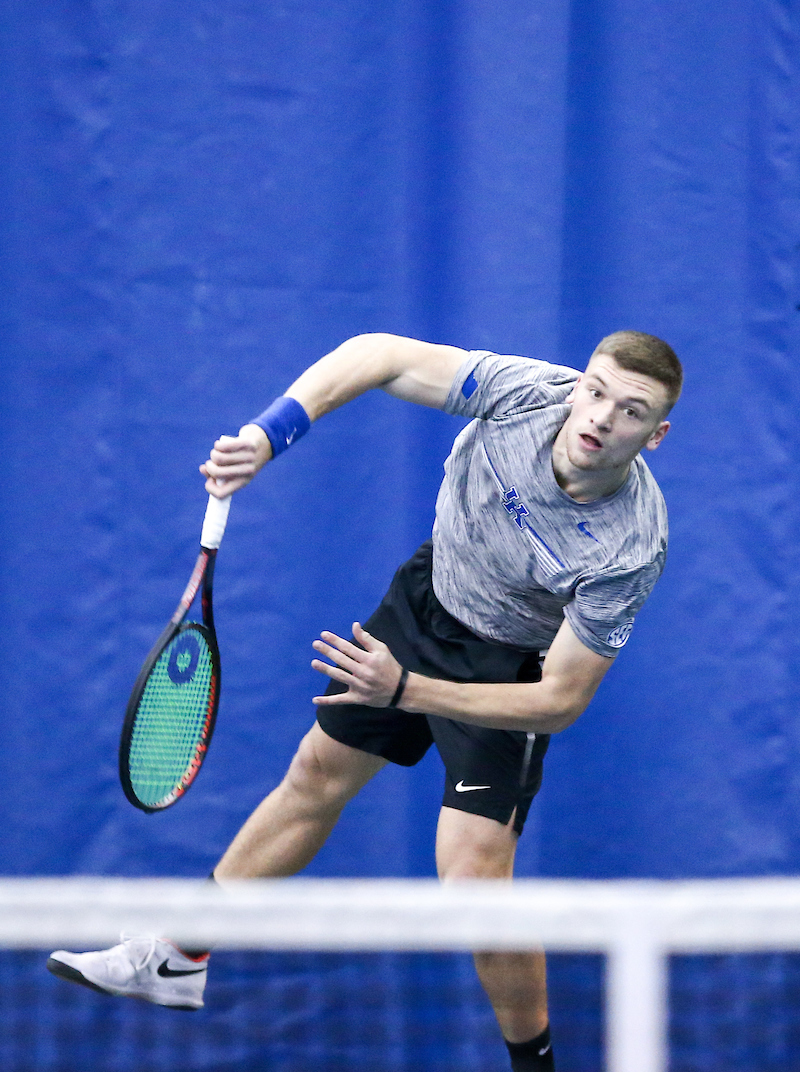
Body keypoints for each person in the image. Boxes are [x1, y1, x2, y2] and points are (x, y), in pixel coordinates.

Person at [48, 330, 682, 1072]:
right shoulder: (527, 394)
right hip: (427, 601)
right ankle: (178, 956)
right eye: (597, 391)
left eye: (630, 411)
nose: (601, 417)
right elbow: (382, 356)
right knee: (314, 779)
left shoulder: (629, 544)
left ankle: (534, 1066)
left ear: (656, 434)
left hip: (511, 665)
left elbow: (560, 699)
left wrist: (409, 691)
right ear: (580, 384)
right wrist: (268, 435)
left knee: (474, 883)